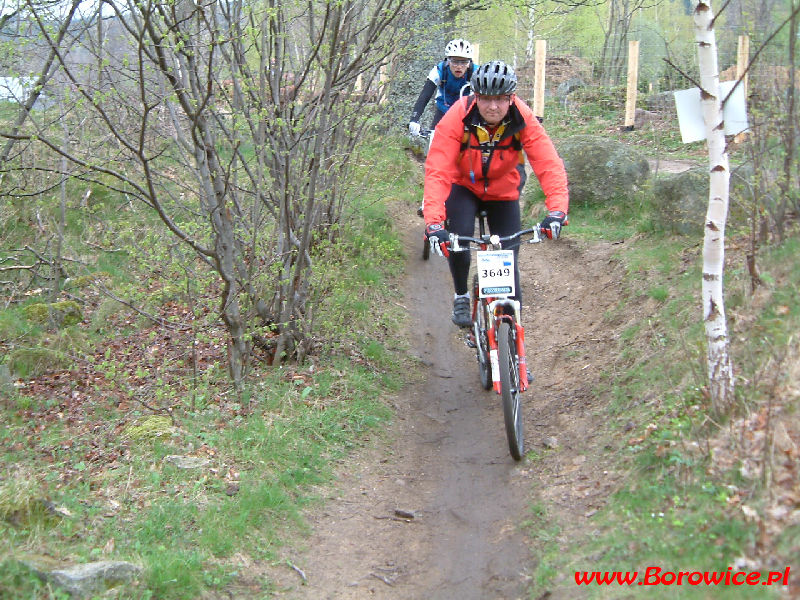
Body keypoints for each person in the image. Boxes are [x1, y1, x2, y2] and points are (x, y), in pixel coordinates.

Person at [422, 59, 569, 329]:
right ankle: (461, 295)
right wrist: (433, 222)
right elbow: (438, 170)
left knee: (509, 269)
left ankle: (516, 360)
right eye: (486, 99)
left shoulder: (521, 117)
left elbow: (548, 163)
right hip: (463, 187)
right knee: (459, 239)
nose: (493, 107)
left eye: (501, 100)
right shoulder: (458, 115)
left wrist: (557, 210)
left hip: (503, 191)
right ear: (475, 96)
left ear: (511, 98)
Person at [408, 39, 475, 136]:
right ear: (448, 61)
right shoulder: (439, 71)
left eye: (464, 62)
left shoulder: (476, 73)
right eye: (455, 61)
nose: (459, 66)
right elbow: (424, 96)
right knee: (434, 142)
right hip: (443, 110)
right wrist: (414, 119)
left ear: (469, 63)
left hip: (465, 112)